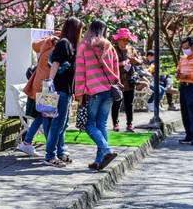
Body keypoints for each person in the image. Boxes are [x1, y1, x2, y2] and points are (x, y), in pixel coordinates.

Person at [74, 20, 120, 170]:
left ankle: (106, 150)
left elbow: (80, 71)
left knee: (89, 124)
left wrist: (79, 93)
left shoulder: (84, 46)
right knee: (102, 124)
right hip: (109, 90)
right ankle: (99, 161)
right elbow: (115, 69)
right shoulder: (109, 46)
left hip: (93, 91)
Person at [42, 17, 83, 168]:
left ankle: (60, 152)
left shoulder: (69, 44)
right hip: (59, 89)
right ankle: (50, 155)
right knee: (58, 123)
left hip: (65, 89)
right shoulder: (64, 43)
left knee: (63, 123)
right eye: (79, 29)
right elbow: (55, 63)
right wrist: (50, 85)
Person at [17, 31, 59, 156]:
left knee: (42, 116)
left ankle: (27, 143)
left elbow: (35, 44)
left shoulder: (45, 48)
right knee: (45, 116)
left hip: (39, 85)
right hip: (45, 87)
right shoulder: (52, 52)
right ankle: (49, 150)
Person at [110, 28, 141, 132]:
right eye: (123, 39)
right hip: (117, 80)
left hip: (129, 80)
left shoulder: (132, 49)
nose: (125, 42)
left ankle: (129, 124)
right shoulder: (113, 49)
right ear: (118, 40)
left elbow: (140, 61)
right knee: (116, 102)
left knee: (129, 103)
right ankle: (115, 123)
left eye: (127, 39)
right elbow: (109, 65)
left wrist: (136, 60)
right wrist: (122, 63)